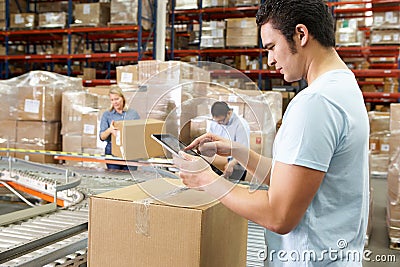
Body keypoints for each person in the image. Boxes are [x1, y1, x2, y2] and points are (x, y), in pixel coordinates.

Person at [173, 1, 369, 266]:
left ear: (301, 34)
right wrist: (239, 151)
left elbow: (279, 215)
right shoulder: (344, 87)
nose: (271, 60)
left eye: (272, 47)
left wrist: (206, 180)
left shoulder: (315, 103)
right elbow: (297, 181)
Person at [99, 87, 140, 170]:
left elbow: (140, 133)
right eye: (112, 100)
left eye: (117, 99)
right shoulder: (107, 115)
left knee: (130, 177)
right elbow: (102, 137)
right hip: (112, 149)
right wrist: (110, 130)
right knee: (115, 178)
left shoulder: (132, 114)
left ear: (123, 98)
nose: (115, 102)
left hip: (130, 150)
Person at [208, 101, 250, 181]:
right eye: (217, 121)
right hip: (220, 162)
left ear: (229, 113)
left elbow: (244, 151)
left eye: (221, 121)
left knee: (233, 190)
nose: (219, 124)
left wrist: (231, 164)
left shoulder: (240, 125)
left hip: (236, 164)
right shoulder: (215, 123)